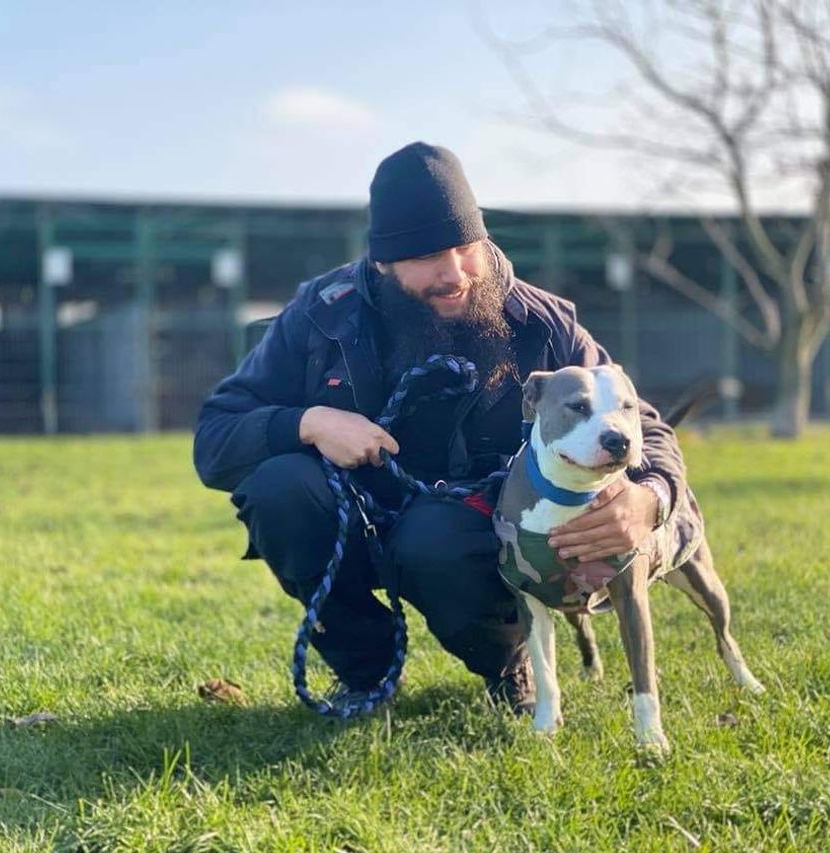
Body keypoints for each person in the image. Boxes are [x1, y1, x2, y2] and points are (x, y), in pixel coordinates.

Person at [193, 142, 687, 714]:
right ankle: (365, 672)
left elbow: (648, 429)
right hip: (355, 514)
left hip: (469, 530)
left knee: (433, 539)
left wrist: (651, 501)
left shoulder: (543, 323)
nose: (454, 274)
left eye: (465, 247)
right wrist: (309, 421)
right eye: (428, 256)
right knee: (280, 489)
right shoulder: (320, 315)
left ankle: (508, 664)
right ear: (382, 262)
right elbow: (215, 437)